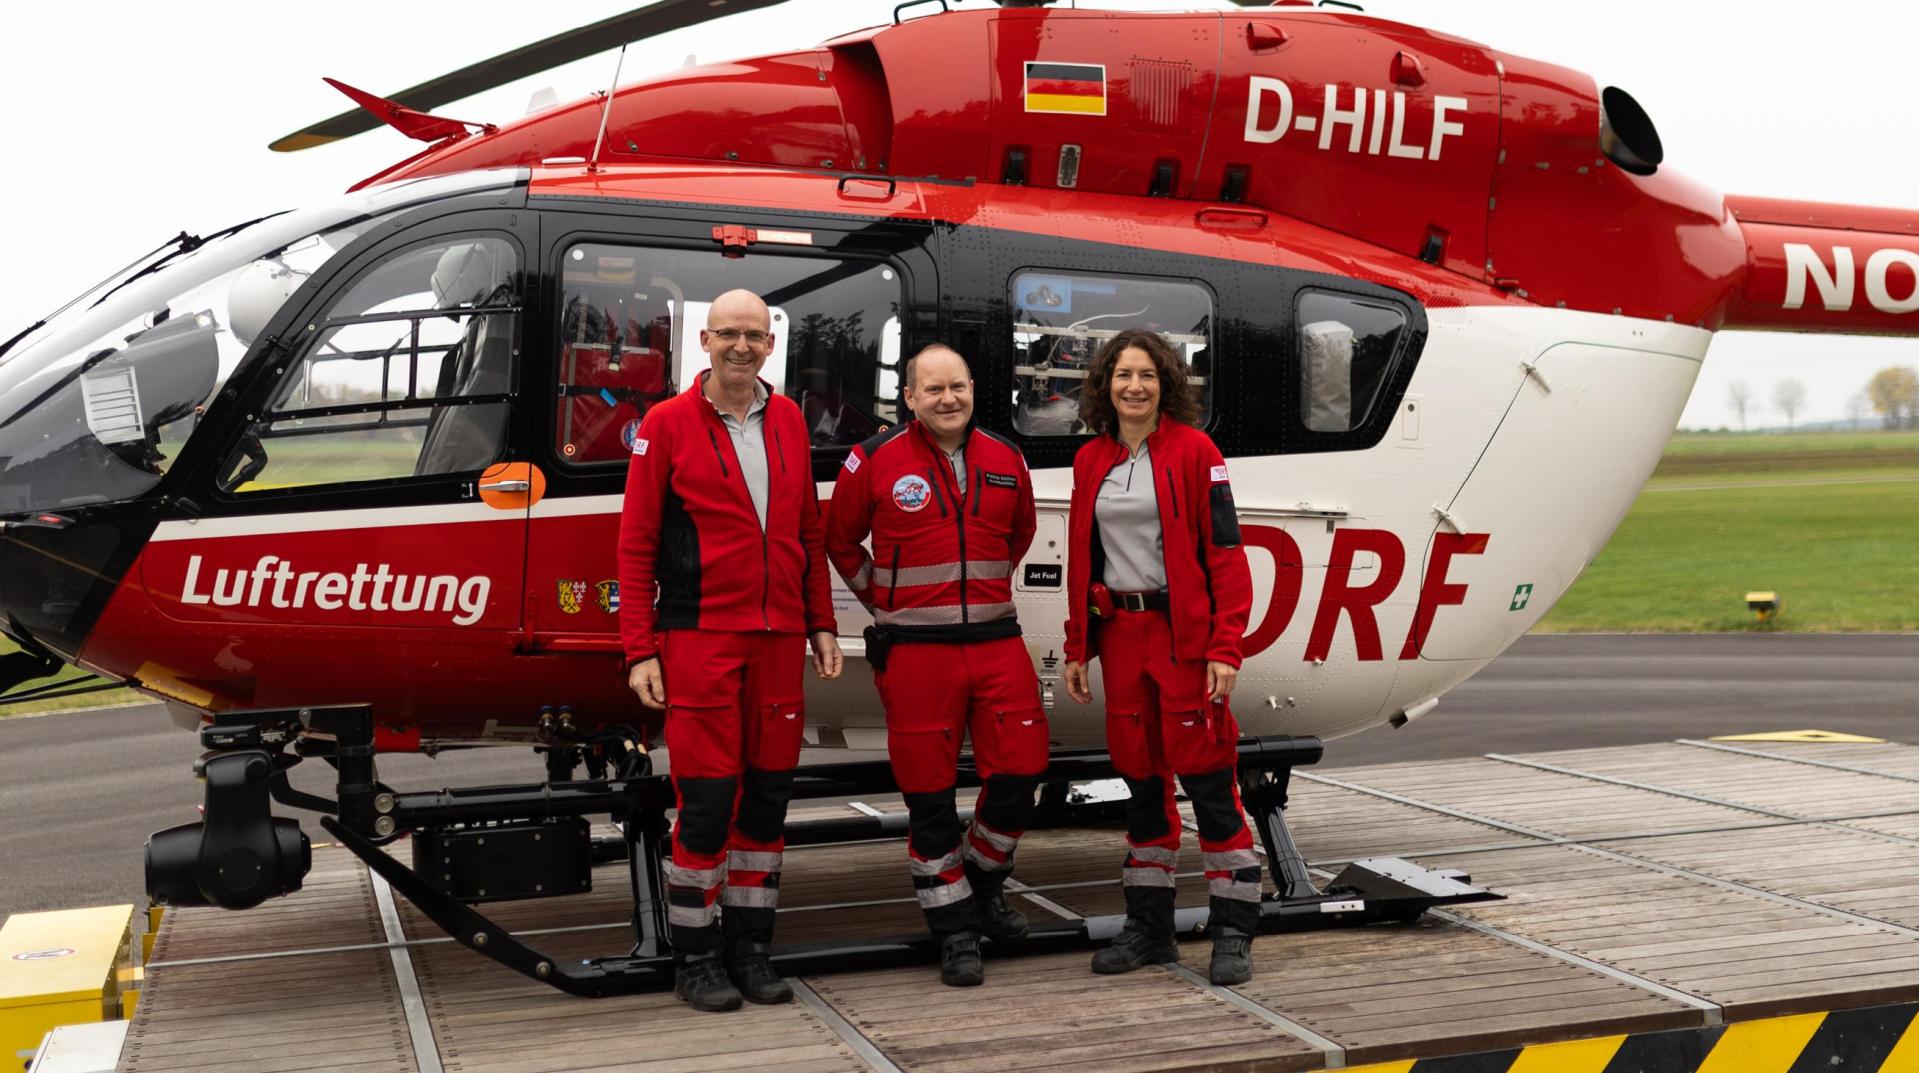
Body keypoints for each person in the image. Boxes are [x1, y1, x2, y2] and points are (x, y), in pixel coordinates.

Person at [618, 289, 843, 1013]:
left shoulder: (788, 421)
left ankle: (751, 946)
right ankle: (698, 955)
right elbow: (635, 543)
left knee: (767, 802)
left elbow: (808, 530)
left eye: (754, 334)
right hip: (700, 637)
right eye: (728, 335)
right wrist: (637, 650)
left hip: (779, 641)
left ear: (769, 344)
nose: (741, 346)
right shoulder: (666, 423)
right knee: (708, 801)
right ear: (705, 342)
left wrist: (821, 622)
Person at [825, 344, 1049, 988]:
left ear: (973, 387)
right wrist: (885, 599)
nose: (947, 399)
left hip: (995, 641)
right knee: (929, 801)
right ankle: (953, 932)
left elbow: (1019, 536)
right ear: (910, 399)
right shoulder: (871, 460)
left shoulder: (1007, 459)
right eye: (933, 390)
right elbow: (840, 540)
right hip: (916, 652)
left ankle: (979, 887)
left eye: (957, 387)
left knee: (1022, 773)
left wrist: (977, 594)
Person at [1060, 327, 1260, 985]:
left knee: (1208, 781)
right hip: (1120, 638)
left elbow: (1226, 555)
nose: (1134, 386)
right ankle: (1149, 929)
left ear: (1164, 382)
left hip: (1183, 640)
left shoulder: (1197, 452)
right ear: (1105, 386)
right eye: (1122, 375)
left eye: (1146, 374)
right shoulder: (1091, 459)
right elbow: (1082, 557)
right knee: (1141, 783)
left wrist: (1224, 645)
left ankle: (1232, 931)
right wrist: (1077, 645)